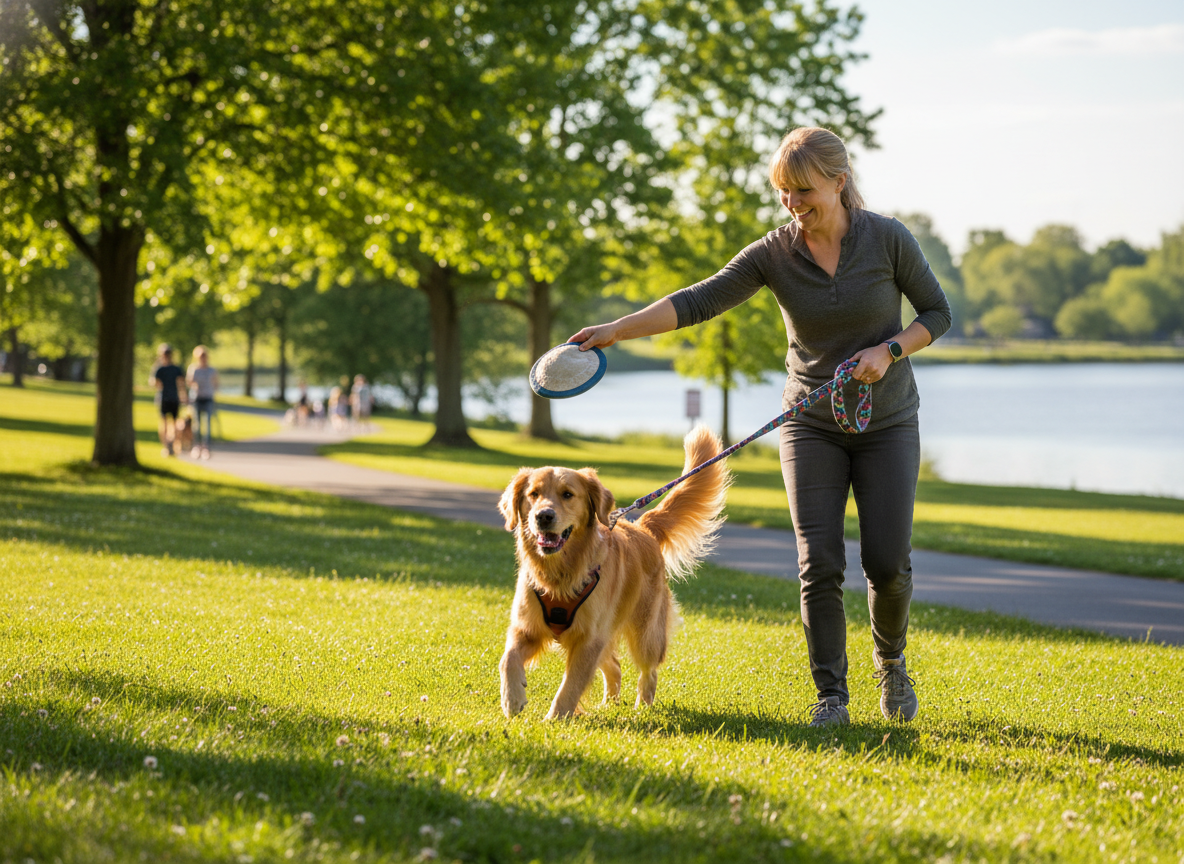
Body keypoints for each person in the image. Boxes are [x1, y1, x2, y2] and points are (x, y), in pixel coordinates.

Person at [569, 127, 951, 728]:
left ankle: (892, 661)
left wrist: (891, 350)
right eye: (782, 193)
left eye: (803, 191)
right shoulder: (775, 252)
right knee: (818, 562)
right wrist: (617, 328)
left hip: (888, 422)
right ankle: (832, 697)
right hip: (810, 423)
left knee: (887, 562)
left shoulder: (887, 238)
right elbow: (698, 300)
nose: (793, 204)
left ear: (839, 182)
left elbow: (937, 313)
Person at [151, 344, 187, 457]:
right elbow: (181, 384)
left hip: (169, 398)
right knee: (169, 423)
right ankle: (170, 445)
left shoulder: (160, 368)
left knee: (170, 423)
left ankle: (169, 445)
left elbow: (154, 383)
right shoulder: (172, 368)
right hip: (169, 398)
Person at [186, 345, 219, 459]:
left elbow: (216, 383)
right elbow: (189, 382)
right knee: (197, 425)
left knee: (208, 424)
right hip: (196, 399)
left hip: (208, 398)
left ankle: (206, 448)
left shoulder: (211, 370)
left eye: (204, 356)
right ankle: (197, 447)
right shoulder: (193, 369)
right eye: (201, 356)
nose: (203, 358)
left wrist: (213, 391)